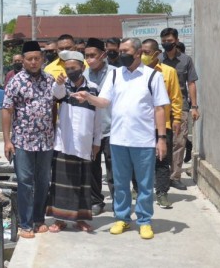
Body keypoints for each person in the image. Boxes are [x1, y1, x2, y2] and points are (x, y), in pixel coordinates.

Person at [72, 38, 169, 240]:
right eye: (121, 50)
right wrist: (89, 97)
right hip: (118, 140)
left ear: (138, 52)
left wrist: (161, 138)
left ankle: (144, 220)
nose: (121, 53)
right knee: (120, 183)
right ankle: (122, 218)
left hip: (143, 140)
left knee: (144, 184)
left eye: (125, 50)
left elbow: (160, 109)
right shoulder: (115, 75)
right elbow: (105, 101)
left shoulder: (153, 77)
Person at [2, 41, 56, 239]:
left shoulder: (50, 80)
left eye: (37, 59)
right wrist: (7, 141)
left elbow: (55, 107)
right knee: (25, 181)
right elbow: (7, 111)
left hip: (46, 140)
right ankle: (25, 224)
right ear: (23, 61)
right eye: (29, 59)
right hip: (22, 141)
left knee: (43, 181)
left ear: (42, 59)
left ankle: (38, 219)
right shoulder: (15, 82)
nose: (33, 62)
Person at [47, 50, 102, 233]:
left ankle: (81, 220)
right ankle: (60, 220)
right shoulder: (64, 87)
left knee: (83, 183)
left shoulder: (93, 88)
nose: (70, 71)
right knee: (61, 183)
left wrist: (97, 141)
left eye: (74, 68)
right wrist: (59, 83)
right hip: (64, 142)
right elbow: (58, 93)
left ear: (82, 67)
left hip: (85, 143)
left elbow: (98, 117)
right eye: (67, 68)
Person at [132, 39, 182, 209]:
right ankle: (137, 188)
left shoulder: (168, 72)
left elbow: (176, 97)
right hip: (139, 124)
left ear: (156, 54)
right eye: (141, 52)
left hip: (162, 124)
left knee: (162, 160)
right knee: (138, 159)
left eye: (146, 52)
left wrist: (177, 119)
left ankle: (162, 193)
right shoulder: (135, 72)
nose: (143, 56)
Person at [159, 28, 199, 191]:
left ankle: (175, 176)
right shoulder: (158, 60)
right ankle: (160, 175)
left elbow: (191, 84)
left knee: (179, 142)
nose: (166, 44)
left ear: (176, 41)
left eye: (169, 41)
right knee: (161, 141)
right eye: (164, 41)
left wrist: (194, 106)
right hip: (159, 108)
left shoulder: (186, 60)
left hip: (180, 107)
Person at [83, 37, 116, 215]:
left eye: (93, 55)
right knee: (92, 167)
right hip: (91, 130)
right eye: (87, 56)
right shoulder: (84, 75)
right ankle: (96, 200)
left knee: (114, 168)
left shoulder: (116, 73)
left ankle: (118, 201)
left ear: (102, 55)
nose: (89, 59)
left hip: (112, 128)